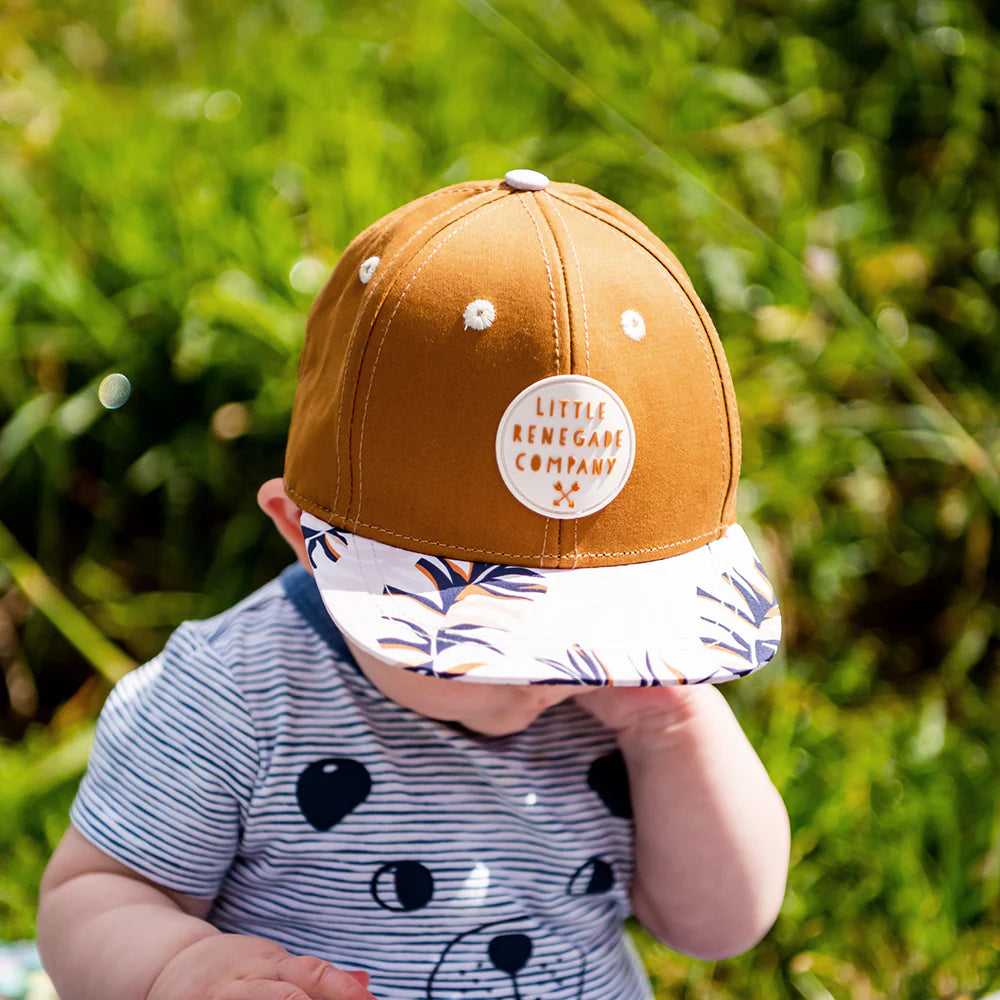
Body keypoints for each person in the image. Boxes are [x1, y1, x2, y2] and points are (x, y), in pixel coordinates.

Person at [36, 170, 790, 1000]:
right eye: (487, 624)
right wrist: (178, 969)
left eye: (600, 621)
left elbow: (720, 927)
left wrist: (672, 730)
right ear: (302, 535)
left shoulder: (628, 704)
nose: (544, 672)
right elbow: (95, 894)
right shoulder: (235, 697)